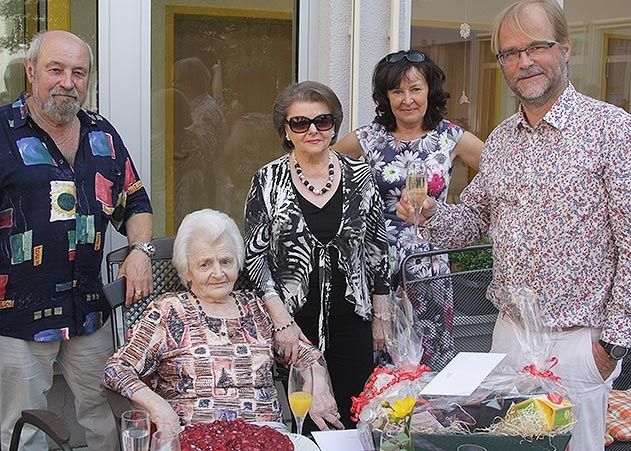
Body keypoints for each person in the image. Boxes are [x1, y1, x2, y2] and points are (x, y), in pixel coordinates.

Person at [400, 1, 631, 450]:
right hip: (507, 337)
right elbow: (470, 222)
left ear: (564, 49)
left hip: (578, 344)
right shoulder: (501, 139)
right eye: (509, 53)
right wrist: (428, 213)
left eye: (536, 47)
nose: (523, 62)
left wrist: (612, 348)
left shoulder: (612, 131)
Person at [0, 30, 153, 450]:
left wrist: (140, 251)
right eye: (56, 69)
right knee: (22, 428)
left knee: (106, 418)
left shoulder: (102, 134)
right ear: (31, 71)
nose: (68, 81)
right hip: (17, 316)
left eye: (78, 72)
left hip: (89, 312)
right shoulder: (2, 132)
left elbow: (136, 201)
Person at [103, 209, 344, 434]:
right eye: (205, 264)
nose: (218, 273)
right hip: (197, 439)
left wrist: (319, 383)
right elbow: (117, 370)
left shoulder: (256, 307)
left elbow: (305, 353)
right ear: (187, 271)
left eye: (226, 261)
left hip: (265, 438)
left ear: (238, 264)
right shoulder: (168, 311)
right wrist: (157, 405)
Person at [244, 81, 390, 430]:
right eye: (300, 123)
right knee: (309, 421)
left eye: (322, 121)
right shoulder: (267, 179)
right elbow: (254, 258)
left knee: (355, 418)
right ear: (286, 130)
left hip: (353, 319)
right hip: (295, 325)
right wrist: (281, 323)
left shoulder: (361, 175)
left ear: (334, 125)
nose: (312, 130)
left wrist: (381, 313)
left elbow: (377, 247)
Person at [333, 50, 483, 370]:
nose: (407, 99)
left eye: (415, 89)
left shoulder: (450, 137)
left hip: (429, 269)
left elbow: (504, 174)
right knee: (381, 363)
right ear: (385, 97)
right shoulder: (367, 138)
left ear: (430, 90)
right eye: (397, 91)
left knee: (430, 363)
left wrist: (465, 213)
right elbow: (321, 166)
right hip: (378, 270)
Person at [173, 57, 226, 210]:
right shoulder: (193, 105)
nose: (175, 85)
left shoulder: (206, 112)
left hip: (205, 186)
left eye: (180, 81)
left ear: (194, 81)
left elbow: (204, 155)